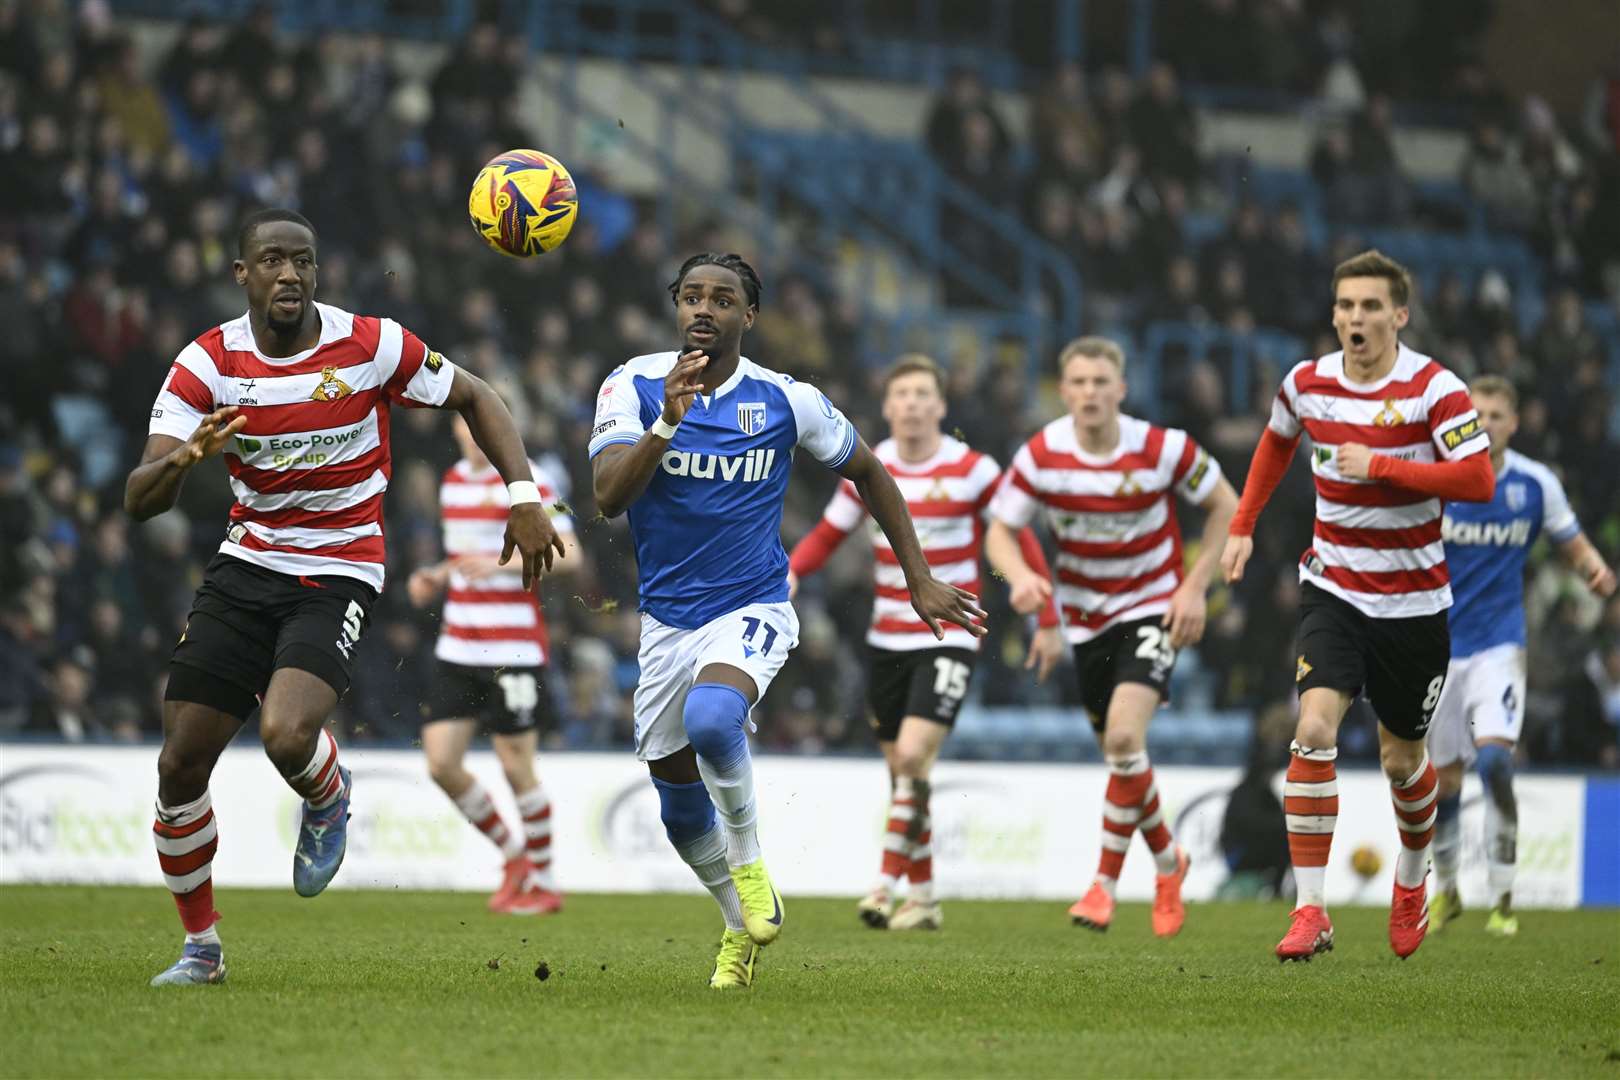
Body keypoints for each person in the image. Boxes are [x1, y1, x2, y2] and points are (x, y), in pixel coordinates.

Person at [127, 209, 564, 986]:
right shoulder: (207, 363)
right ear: (242, 275)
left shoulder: (369, 344)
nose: (289, 274)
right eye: (271, 260)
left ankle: (328, 795)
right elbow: (139, 498)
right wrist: (187, 458)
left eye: (303, 260)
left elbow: (480, 397)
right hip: (246, 564)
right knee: (179, 765)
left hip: (339, 568)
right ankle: (202, 948)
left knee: (288, 736)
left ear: (317, 272)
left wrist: (523, 495)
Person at [588, 253, 984, 990]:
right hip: (667, 625)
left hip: (752, 604)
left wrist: (918, 575)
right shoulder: (633, 384)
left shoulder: (785, 399)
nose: (704, 309)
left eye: (723, 299)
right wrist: (667, 424)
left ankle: (749, 861)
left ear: (749, 316)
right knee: (677, 811)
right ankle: (737, 928)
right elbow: (608, 497)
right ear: (676, 307)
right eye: (692, 297)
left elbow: (870, 470)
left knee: (713, 720)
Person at [1219, 249, 1495, 962]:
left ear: (1399, 314)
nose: (1355, 318)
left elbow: (1477, 478)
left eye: (1370, 306)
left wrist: (1384, 467)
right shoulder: (1306, 383)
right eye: (1345, 306)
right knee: (1312, 728)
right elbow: (1275, 447)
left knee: (1402, 761)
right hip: (1334, 588)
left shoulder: (1437, 389)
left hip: (1413, 605)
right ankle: (1311, 910)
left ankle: (1410, 878)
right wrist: (1243, 525)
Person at [785, 354, 1061, 932]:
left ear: (940, 406)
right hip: (886, 638)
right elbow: (829, 534)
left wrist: (1045, 608)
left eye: (921, 394)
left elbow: (1012, 534)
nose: (911, 404)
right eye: (901, 394)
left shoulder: (974, 470)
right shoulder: (871, 465)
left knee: (911, 756)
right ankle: (926, 898)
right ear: (887, 408)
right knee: (907, 774)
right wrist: (790, 572)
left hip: (950, 637)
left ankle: (884, 886)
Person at [985, 335, 1238, 937]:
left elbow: (1227, 504)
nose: (1090, 392)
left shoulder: (1161, 447)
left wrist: (1195, 586)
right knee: (1123, 757)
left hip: (1152, 607)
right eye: (1078, 382)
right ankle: (1169, 860)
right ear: (1063, 389)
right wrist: (1021, 579)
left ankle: (1102, 884)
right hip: (1084, 621)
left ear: (1121, 389)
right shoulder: (1043, 453)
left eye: (1102, 381)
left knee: (1125, 736)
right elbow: (1001, 530)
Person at [1428, 376, 1616, 937]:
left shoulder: (1536, 484)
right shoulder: (1441, 481)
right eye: (1476, 414)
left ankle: (1504, 897)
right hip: (1437, 649)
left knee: (1495, 763)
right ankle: (1447, 890)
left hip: (1499, 646)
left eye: (1495, 415)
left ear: (1514, 423)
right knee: (1444, 782)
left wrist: (1597, 572)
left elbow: (1573, 543)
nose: (1484, 423)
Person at [407, 414, 581, 915]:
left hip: (514, 650)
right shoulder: (452, 484)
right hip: (458, 647)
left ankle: (545, 883)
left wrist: (501, 563)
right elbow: (464, 557)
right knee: (441, 763)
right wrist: (437, 575)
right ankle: (513, 856)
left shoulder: (532, 483)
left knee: (515, 766)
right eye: (465, 427)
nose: (473, 435)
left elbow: (569, 555)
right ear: (458, 432)